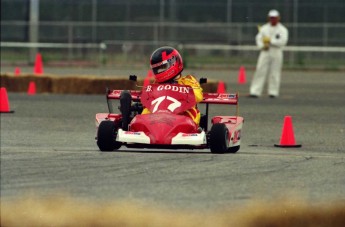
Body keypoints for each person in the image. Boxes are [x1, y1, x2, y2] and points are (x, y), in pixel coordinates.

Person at [142, 46, 203, 126]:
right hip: (157, 116)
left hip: (182, 116)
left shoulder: (188, 81)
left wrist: (178, 89)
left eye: (163, 67)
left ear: (174, 63)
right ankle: (142, 126)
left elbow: (198, 96)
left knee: (190, 111)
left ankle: (186, 128)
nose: (159, 71)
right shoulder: (156, 84)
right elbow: (147, 99)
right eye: (157, 69)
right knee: (146, 111)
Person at [249, 9, 289, 98]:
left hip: (276, 51)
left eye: (274, 18)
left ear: (278, 18)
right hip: (265, 51)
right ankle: (255, 91)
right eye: (271, 18)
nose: (273, 19)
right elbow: (258, 38)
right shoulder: (264, 28)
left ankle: (273, 92)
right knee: (260, 70)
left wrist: (271, 41)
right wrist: (262, 45)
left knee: (275, 72)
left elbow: (283, 41)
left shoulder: (282, 29)